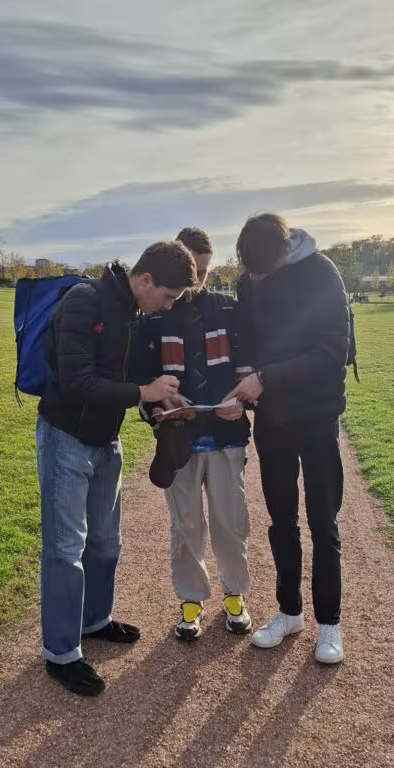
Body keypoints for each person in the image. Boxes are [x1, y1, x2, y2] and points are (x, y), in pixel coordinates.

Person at [37, 242, 197, 696]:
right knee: (65, 549)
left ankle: (94, 620)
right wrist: (144, 391)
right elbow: (77, 382)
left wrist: (161, 403)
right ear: (145, 280)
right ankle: (61, 653)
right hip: (65, 437)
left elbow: (131, 382)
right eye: (167, 295)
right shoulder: (85, 300)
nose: (168, 304)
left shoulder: (135, 314)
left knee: (106, 543)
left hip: (106, 441)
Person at [226, 213, 350, 665]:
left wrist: (267, 377)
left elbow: (333, 351)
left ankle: (330, 624)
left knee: (323, 523)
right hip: (273, 418)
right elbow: (250, 343)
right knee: (281, 520)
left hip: (317, 414)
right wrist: (242, 378)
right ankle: (289, 611)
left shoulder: (321, 272)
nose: (254, 278)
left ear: (282, 252)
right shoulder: (250, 280)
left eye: (261, 269)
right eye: (250, 270)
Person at [135, 227, 253, 641]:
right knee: (185, 525)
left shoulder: (227, 309)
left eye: (204, 270)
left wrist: (241, 401)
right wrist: (160, 403)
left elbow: (248, 367)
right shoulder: (154, 315)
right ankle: (190, 601)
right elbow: (141, 380)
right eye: (193, 270)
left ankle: (235, 597)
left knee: (229, 521)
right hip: (178, 442)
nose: (197, 281)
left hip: (227, 436)